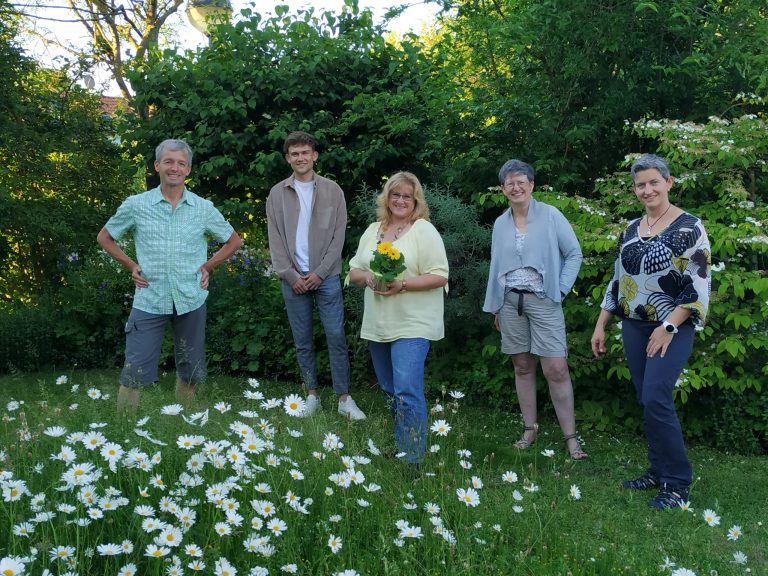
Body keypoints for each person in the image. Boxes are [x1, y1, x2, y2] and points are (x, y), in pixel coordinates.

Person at [591, 154, 710, 509]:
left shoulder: (691, 226)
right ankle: (658, 470)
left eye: (654, 182)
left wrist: (669, 326)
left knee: (657, 397)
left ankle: (676, 484)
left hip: (673, 326)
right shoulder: (631, 229)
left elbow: (699, 284)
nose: (647, 189)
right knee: (647, 398)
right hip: (633, 324)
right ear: (635, 189)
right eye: (641, 184)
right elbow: (618, 279)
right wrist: (601, 324)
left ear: (669, 182)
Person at [97, 139, 243, 414]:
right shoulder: (136, 205)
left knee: (189, 368)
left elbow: (234, 241)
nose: (174, 168)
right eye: (168, 162)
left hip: (191, 297)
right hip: (149, 298)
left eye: (181, 163)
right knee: (134, 370)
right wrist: (130, 265)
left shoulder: (203, 208)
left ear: (188, 170)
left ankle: (182, 425)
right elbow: (105, 237)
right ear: (157, 166)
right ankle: (123, 430)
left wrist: (209, 266)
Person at [483, 159, 587, 459]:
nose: (515, 187)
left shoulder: (551, 215)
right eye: (509, 183)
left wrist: (561, 289)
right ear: (503, 189)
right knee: (522, 366)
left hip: (544, 300)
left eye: (521, 181)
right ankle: (530, 430)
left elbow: (574, 253)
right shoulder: (500, 223)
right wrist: (496, 308)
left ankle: (570, 437)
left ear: (531, 185)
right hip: (509, 301)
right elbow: (496, 267)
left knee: (555, 368)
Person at [348, 171, 449, 464]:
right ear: (387, 198)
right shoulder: (373, 230)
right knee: (391, 390)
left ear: (416, 200)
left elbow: (440, 275)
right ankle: (404, 445)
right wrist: (367, 277)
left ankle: (413, 459)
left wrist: (402, 285)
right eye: (396, 194)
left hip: (413, 322)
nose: (401, 200)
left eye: (407, 196)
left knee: (406, 388)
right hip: (379, 323)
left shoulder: (423, 230)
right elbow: (353, 270)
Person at [266, 131, 366, 420]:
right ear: (288, 158)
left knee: (335, 335)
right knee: (302, 338)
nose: (300, 158)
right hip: (292, 278)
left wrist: (320, 273)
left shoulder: (333, 191)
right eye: (294, 154)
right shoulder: (277, 194)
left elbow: (339, 237)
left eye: (305, 152)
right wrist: (289, 274)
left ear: (315, 156)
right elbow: (275, 238)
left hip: (327, 277)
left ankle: (344, 398)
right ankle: (311, 395)